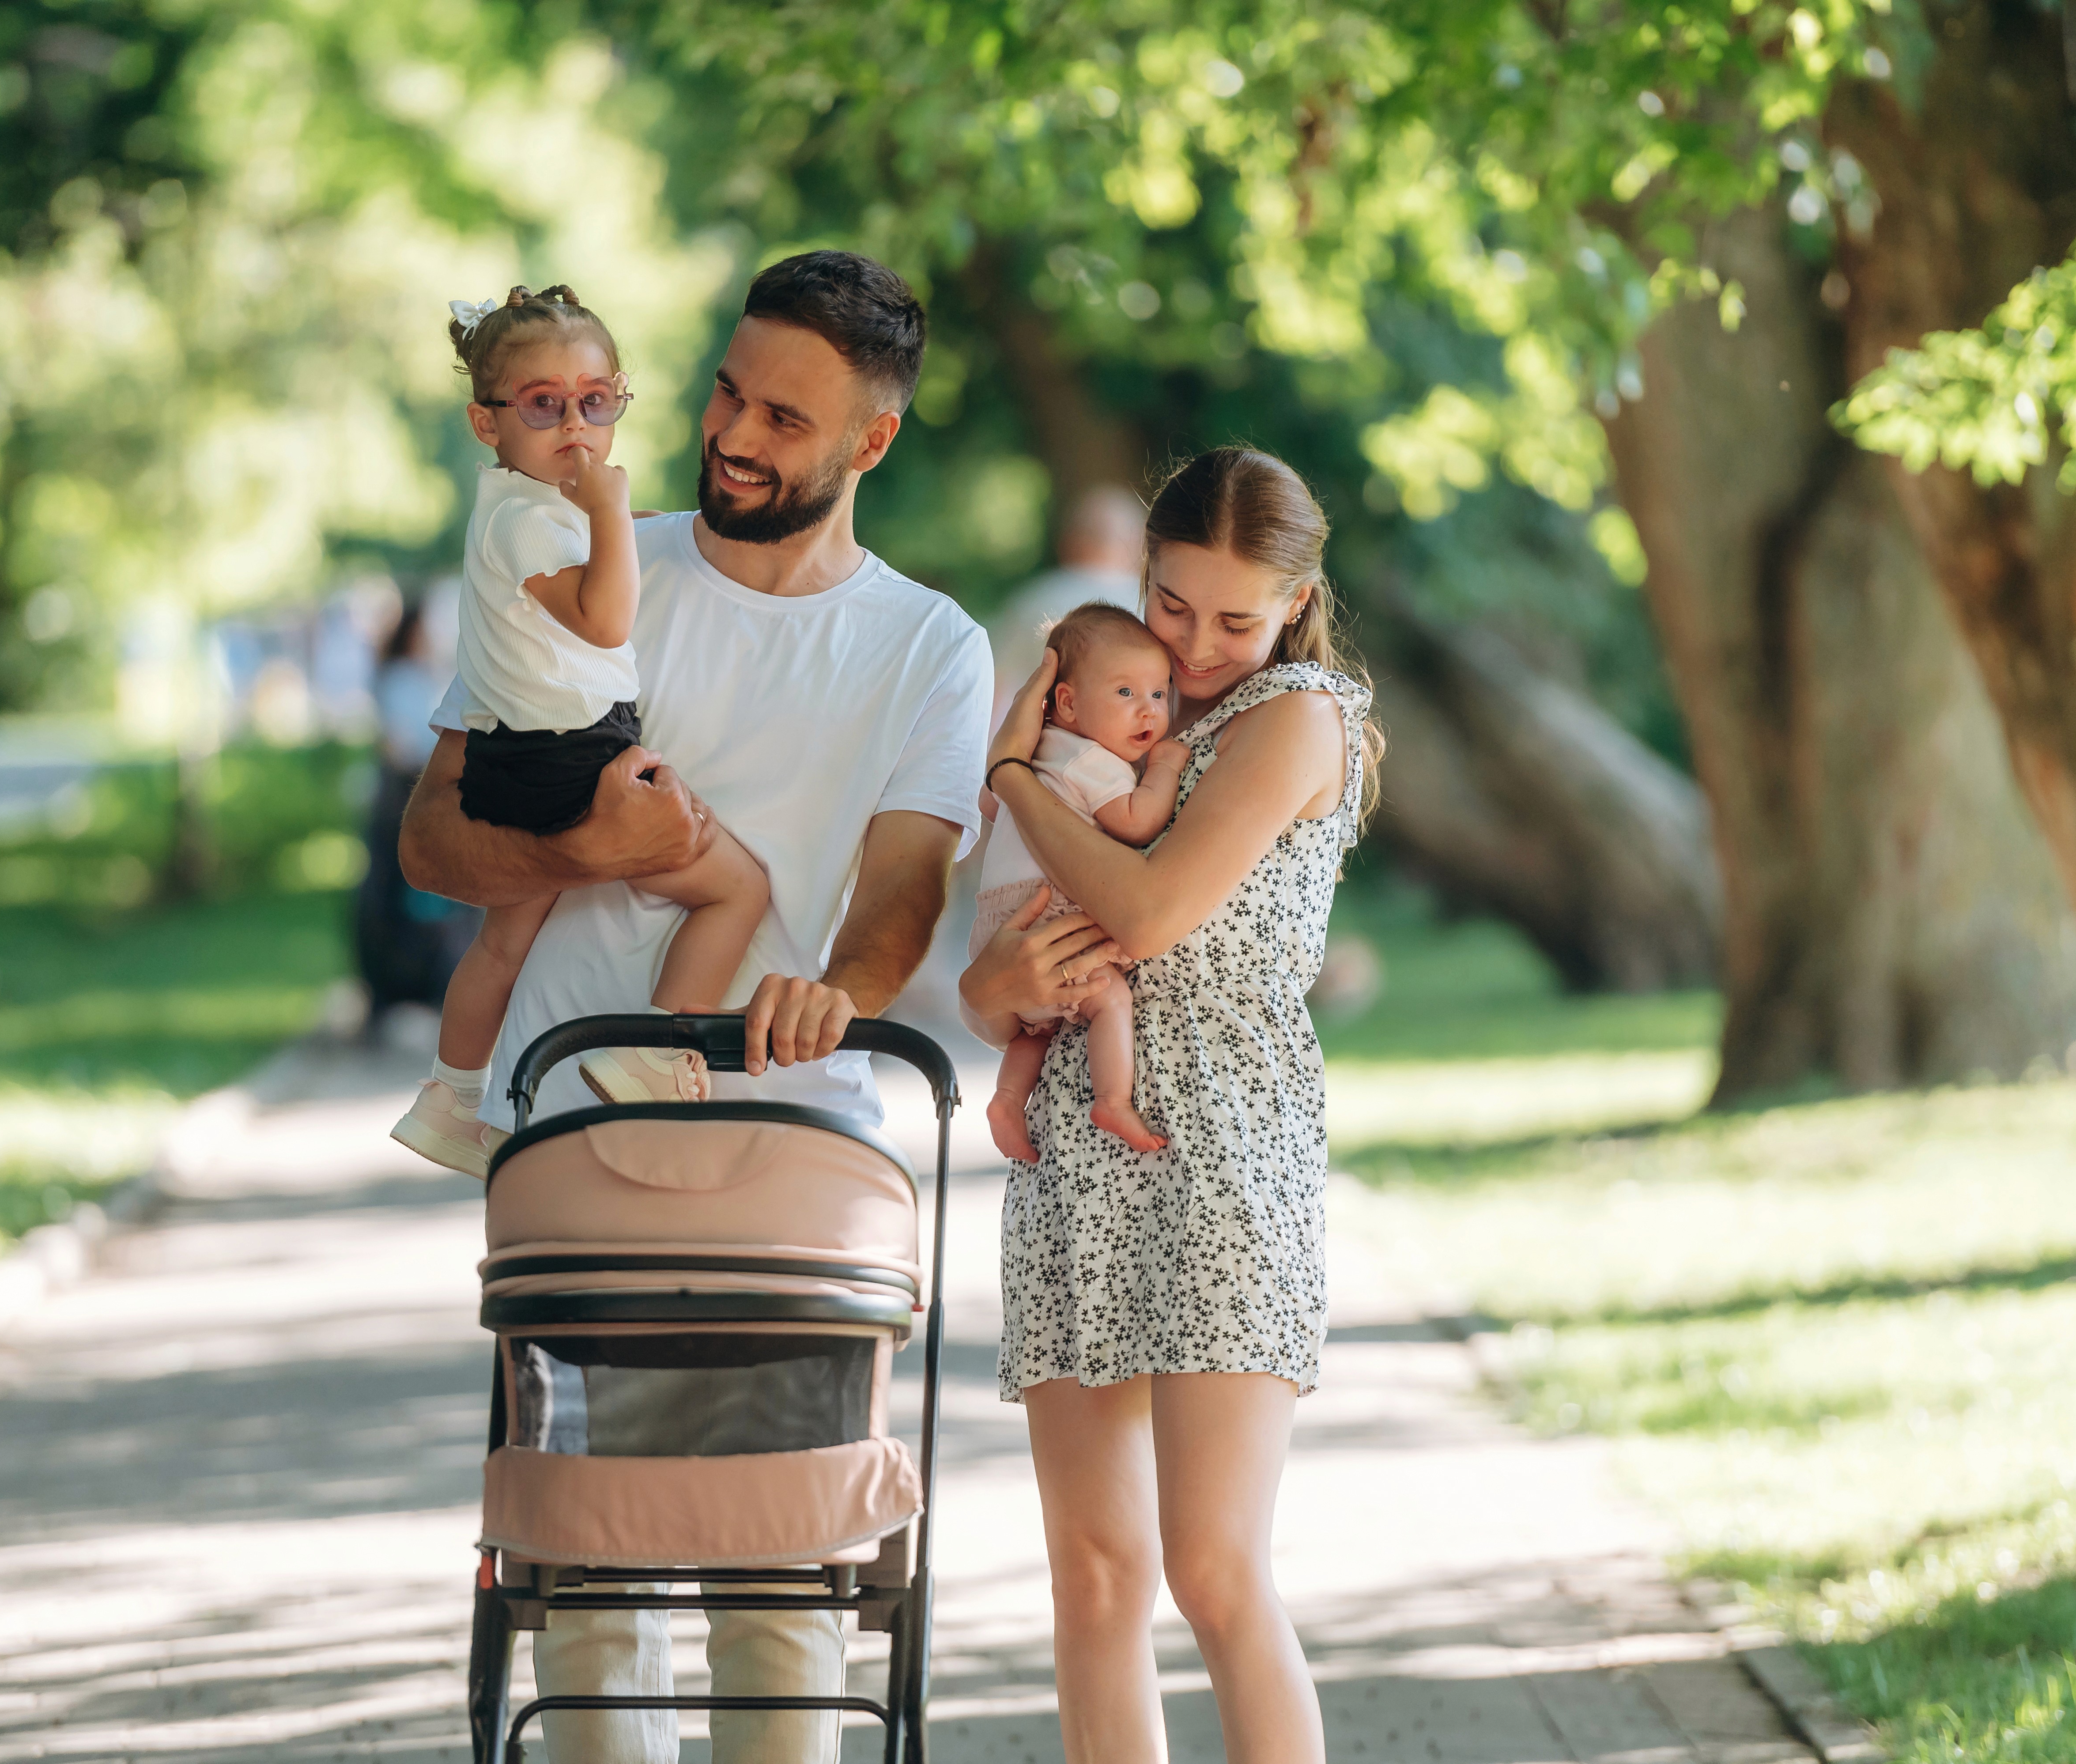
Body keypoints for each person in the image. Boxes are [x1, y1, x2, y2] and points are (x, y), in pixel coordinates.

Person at [399, 251, 988, 1764]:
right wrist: (576, 851)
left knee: (778, 1567)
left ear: (869, 442)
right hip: (577, 1140)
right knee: (584, 1566)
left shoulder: (927, 644)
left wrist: (832, 991)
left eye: (783, 417)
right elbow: (433, 834)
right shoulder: (585, 560)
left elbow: (904, 888)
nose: (730, 430)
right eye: (726, 388)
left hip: (788, 1154)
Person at [960, 447, 1383, 1764]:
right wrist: (995, 994)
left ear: (1299, 600)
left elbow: (1147, 913)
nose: (1197, 644)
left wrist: (1017, 773)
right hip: (1079, 1146)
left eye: (1235, 619)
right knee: (1093, 1577)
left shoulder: (1293, 717)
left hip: (1223, 1158)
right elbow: (1000, 974)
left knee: (1212, 1568)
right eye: (1174, 602)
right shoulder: (1127, 708)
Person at [393, 285, 770, 1176]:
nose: (577, 427)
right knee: (735, 890)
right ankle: (654, 1050)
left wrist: (607, 520)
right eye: (544, 406)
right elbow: (604, 621)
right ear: (487, 423)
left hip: (514, 753)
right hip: (576, 755)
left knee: (505, 942)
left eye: (597, 402)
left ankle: (450, 1099)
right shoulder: (531, 517)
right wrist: (611, 512)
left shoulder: (527, 510)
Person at [972, 603, 1187, 1161]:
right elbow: (1135, 823)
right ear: (1066, 702)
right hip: (1049, 907)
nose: (1149, 712)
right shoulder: (1093, 761)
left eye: (1160, 694)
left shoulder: (1036, 750)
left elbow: (991, 807)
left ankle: (1006, 1097)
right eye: (1125, 694)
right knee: (1108, 997)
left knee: (1033, 1031)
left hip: (1002, 917)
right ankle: (1113, 1099)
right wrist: (1163, 768)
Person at [355, 600, 480, 1029]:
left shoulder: (426, 675)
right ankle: (398, 985)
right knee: (400, 893)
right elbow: (401, 744)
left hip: (428, 790)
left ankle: (431, 980)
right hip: (404, 796)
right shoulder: (399, 679)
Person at [988, 483, 1146, 727]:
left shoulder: (1033, 599)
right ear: (1140, 544)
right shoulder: (1152, 606)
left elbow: (995, 692)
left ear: (1069, 540)